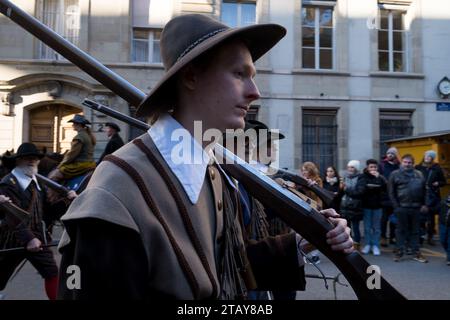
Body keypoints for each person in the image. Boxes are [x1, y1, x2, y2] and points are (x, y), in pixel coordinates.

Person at [57, 14, 353, 300]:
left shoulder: (214, 169)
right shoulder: (117, 192)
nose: (255, 92)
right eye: (239, 74)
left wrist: (302, 242)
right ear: (191, 76)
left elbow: (222, 270)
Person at [0, 143, 77, 300]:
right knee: (1, 274)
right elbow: (12, 216)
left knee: (52, 272)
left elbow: (47, 208)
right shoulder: (8, 183)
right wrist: (29, 239)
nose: (31, 162)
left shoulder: (35, 181)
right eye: (27, 159)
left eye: (34, 159)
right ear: (18, 161)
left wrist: (67, 200)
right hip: (12, 238)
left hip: (36, 236)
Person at [388, 154, 428, 263]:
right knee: (401, 231)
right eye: (405, 162)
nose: (407, 164)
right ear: (401, 162)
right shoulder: (395, 174)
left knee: (415, 231)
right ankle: (399, 252)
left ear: (413, 163)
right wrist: (396, 207)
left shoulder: (419, 174)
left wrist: (424, 204)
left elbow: (425, 190)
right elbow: (391, 192)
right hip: (402, 207)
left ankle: (416, 253)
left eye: (409, 162)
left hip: (416, 208)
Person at [49, 115, 96, 181]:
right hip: (90, 164)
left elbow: (72, 154)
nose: (72, 125)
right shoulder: (87, 135)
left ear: (79, 124)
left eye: (74, 123)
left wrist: (61, 164)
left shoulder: (79, 137)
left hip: (81, 165)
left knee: (53, 175)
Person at [415, 150, 446, 245]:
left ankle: (430, 237)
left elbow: (443, 182)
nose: (426, 158)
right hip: (420, 195)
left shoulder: (436, 168)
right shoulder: (418, 167)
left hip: (433, 196)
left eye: (429, 157)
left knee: (430, 218)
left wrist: (438, 183)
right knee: (420, 217)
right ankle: (420, 236)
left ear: (432, 158)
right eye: (426, 156)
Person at [359, 159, 387, 256]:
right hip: (366, 205)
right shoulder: (363, 177)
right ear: (367, 167)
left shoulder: (381, 177)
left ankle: (375, 245)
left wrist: (378, 178)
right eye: (371, 167)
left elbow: (385, 188)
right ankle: (367, 244)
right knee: (367, 227)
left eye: (375, 167)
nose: (373, 169)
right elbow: (361, 189)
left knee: (376, 227)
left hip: (378, 205)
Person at [340, 160, 365, 250]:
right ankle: (348, 246)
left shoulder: (361, 178)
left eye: (352, 167)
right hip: (345, 206)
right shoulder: (344, 177)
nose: (350, 169)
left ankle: (357, 246)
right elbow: (341, 192)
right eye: (349, 167)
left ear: (356, 168)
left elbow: (359, 192)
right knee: (347, 228)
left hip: (355, 207)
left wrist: (346, 189)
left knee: (355, 228)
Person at [379, 147, 400, 247]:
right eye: (388, 153)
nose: (390, 155)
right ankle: (383, 237)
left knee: (394, 218)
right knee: (384, 218)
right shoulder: (382, 165)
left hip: (395, 196)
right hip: (384, 195)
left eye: (392, 154)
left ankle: (392, 237)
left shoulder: (398, 166)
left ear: (395, 155)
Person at [439, 194, 450, 266]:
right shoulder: (443, 201)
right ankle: (448, 253)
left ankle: (449, 258)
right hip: (443, 224)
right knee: (443, 240)